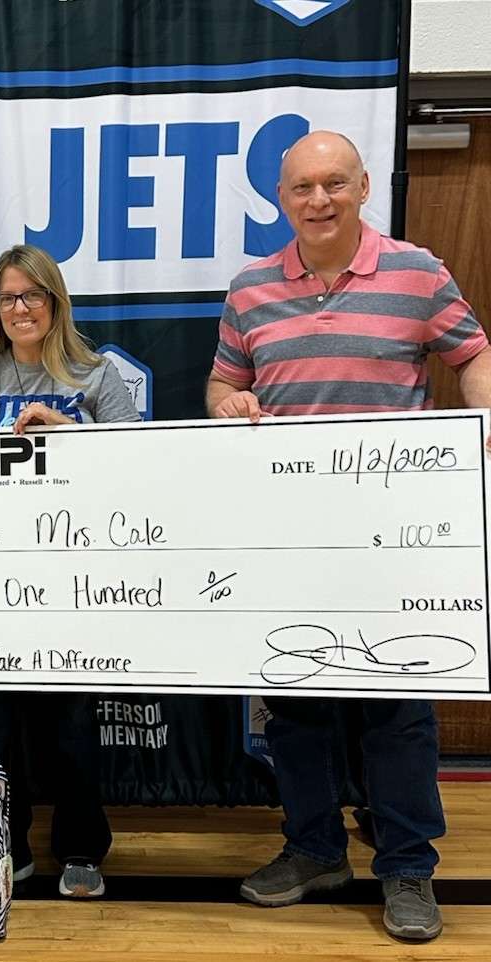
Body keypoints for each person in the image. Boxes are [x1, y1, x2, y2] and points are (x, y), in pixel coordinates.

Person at [207, 130, 491, 942]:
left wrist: (481, 421)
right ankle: (314, 850)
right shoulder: (251, 288)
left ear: (363, 185)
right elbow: (225, 379)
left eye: (334, 183)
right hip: (287, 535)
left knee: (398, 707)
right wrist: (227, 400)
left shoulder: (417, 270)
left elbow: (473, 354)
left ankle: (407, 870)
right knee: (295, 703)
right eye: (302, 188)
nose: (319, 200)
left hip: (393, 534)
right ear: (282, 198)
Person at [0, 243, 141, 898]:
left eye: (32, 295)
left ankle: (81, 847)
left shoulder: (94, 376)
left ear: (54, 301)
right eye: (8, 298)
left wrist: (66, 432)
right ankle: (3, 844)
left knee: (73, 728)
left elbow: (139, 469)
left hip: (77, 585)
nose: (20, 308)